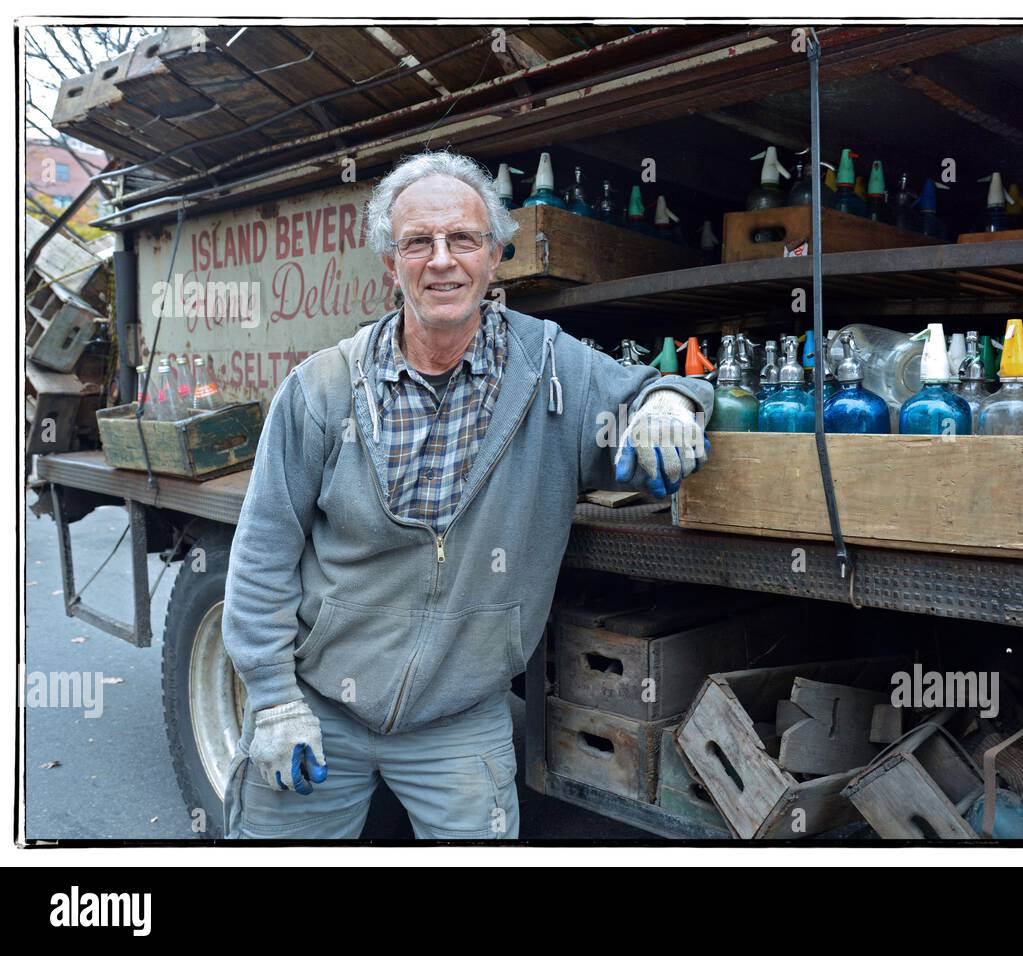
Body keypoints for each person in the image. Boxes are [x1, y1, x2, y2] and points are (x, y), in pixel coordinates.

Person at [220, 150, 712, 838]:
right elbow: (264, 553)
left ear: (495, 256)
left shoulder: (552, 369)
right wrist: (272, 700)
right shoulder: (322, 388)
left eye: (464, 239)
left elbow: (648, 393)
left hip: (459, 716)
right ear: (390, 264)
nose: (442, 260)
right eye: (417, 242)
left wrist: (671, 401)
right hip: (320, 704)